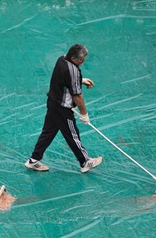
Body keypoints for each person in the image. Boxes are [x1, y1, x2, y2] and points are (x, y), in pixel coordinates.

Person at [25, 44, 102, 173]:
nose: (82, 63)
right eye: (80, 61)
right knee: (72, 135)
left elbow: (64, 78)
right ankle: (85, 162)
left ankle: (33, 160)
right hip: (63, 109)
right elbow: (77, 96)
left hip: (53, 103)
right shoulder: (73, 71)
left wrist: (80, 80)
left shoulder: (61, 59)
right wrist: (84, 113)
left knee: (48, 133)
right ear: (73, 57)